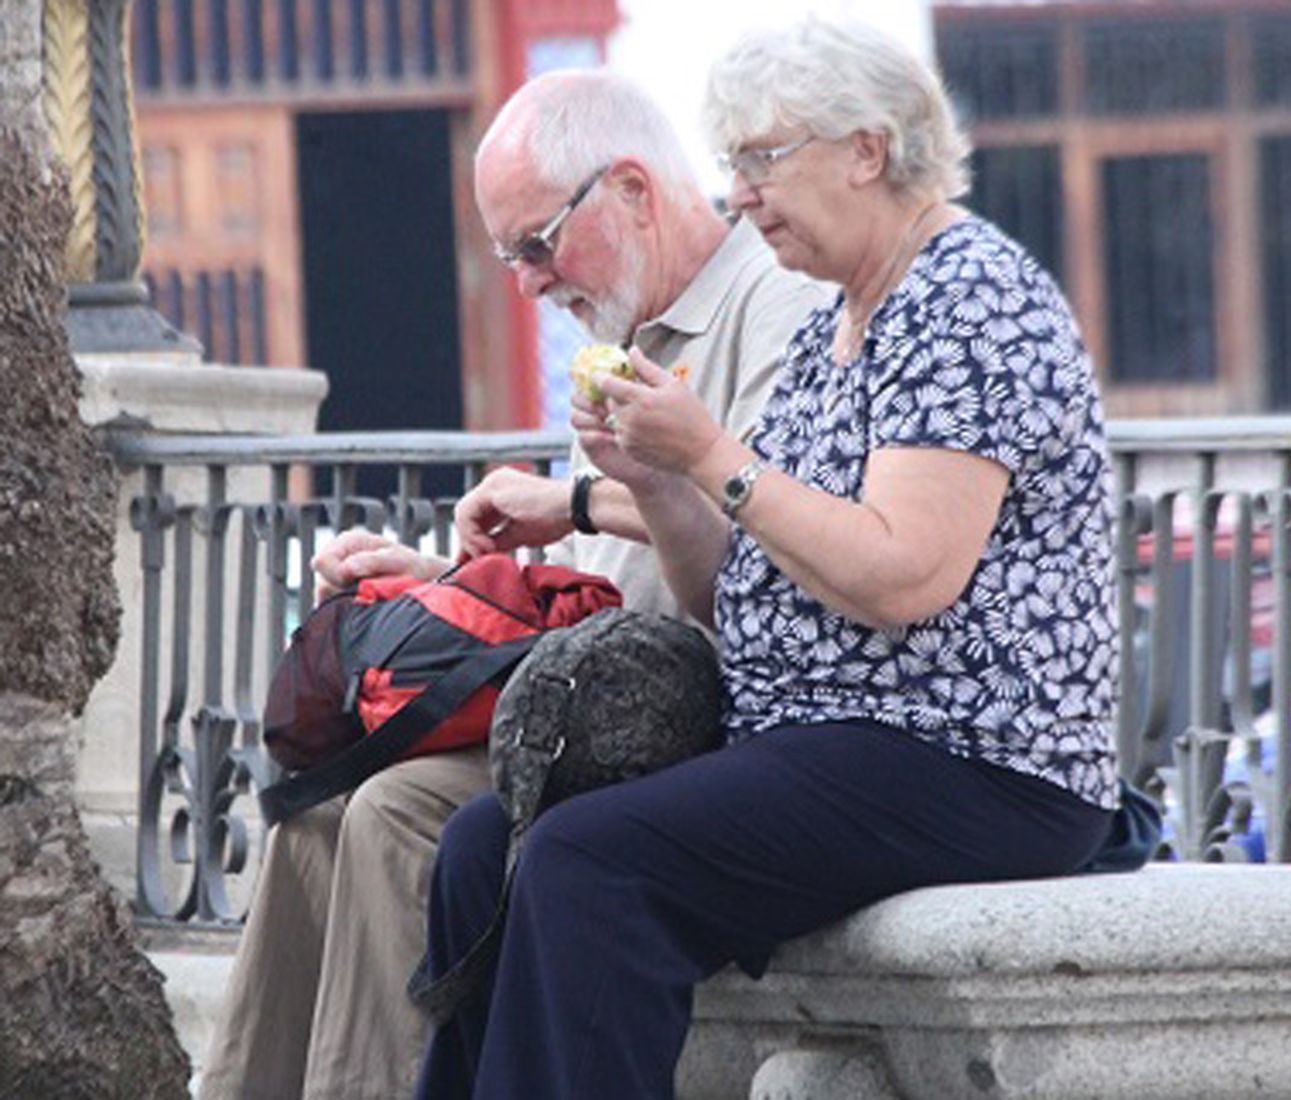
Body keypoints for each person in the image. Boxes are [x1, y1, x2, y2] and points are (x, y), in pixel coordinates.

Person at [417, 16, 1121, 1100]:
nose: (738, 194)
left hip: (968, 753)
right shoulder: (839, 318)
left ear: (866, 150)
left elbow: (904, 576)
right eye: (732, 164)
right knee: (486, 841)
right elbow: (724, 587)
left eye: (758, 160)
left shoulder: (966, 296)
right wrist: (654, 476)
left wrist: (713, 454)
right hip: (829, 738)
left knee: (589, 866)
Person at [197, 70, 827, 1100]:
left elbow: (764, 526)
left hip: (696, 716)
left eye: (537, 245)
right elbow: (595, 583)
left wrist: (574, 503)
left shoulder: (777, 307)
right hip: (584, 697)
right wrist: (452, 581)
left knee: (396, 807)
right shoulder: (625, 336)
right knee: (311, 805)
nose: (528, 284)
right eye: (509, 257)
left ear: (631, 188)